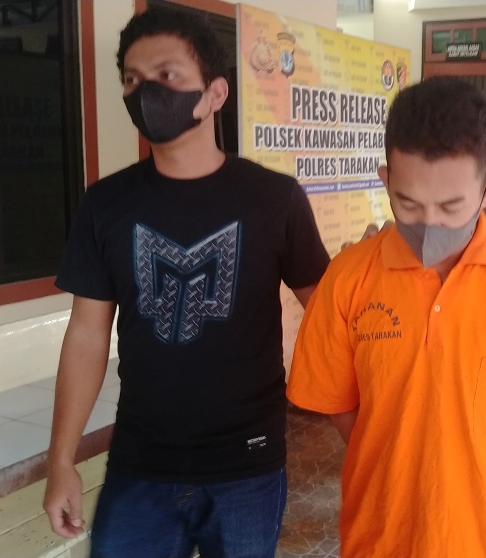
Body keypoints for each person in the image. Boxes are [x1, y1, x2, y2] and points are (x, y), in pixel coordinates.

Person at [42, 9, 331, 557]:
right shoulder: (106, 205)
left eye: (167, 75)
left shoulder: (274, 199)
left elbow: (328, 312)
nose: (146, 92)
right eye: (132, 79)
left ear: (215, 93)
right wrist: (61, 461)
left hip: (247, 464)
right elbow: (86, 335)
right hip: (140, 464)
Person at [285, 77, 486, 557]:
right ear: (386, 180)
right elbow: (336, 401)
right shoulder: (349, 278)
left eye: (451, 206)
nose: (430, 223)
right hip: (381, 539)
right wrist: (393, 459)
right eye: (408, 203)